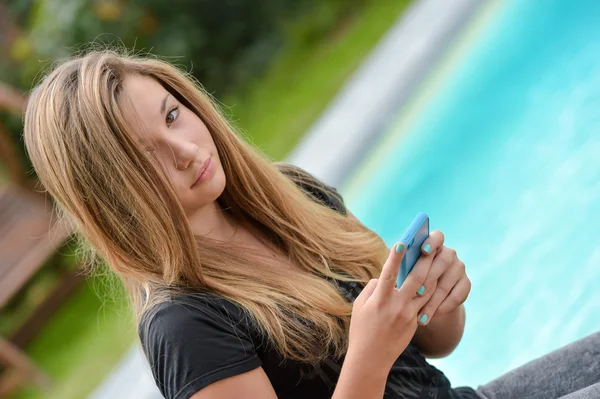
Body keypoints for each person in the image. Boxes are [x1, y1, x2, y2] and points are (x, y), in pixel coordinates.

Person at [23, 50, 600, 399]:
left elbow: (437, 347)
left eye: (174, 114)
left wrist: (436, 300)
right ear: (111, 198)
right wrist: (367, 358)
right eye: (147, 156)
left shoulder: (291, 195)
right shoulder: (185, 327)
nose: (183, 148)